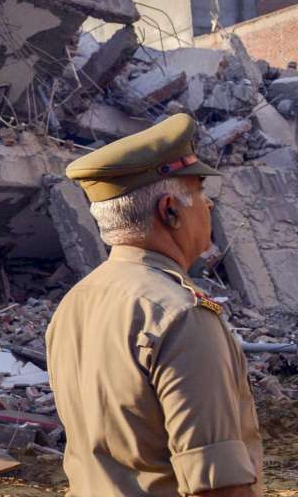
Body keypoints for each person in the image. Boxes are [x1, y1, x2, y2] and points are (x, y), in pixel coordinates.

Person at [46, 114, 263, 497]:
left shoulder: (73, 305)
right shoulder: (179, 315)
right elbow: (216, 485)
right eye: (197, 191)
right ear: (170, 211)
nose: (208, 204)